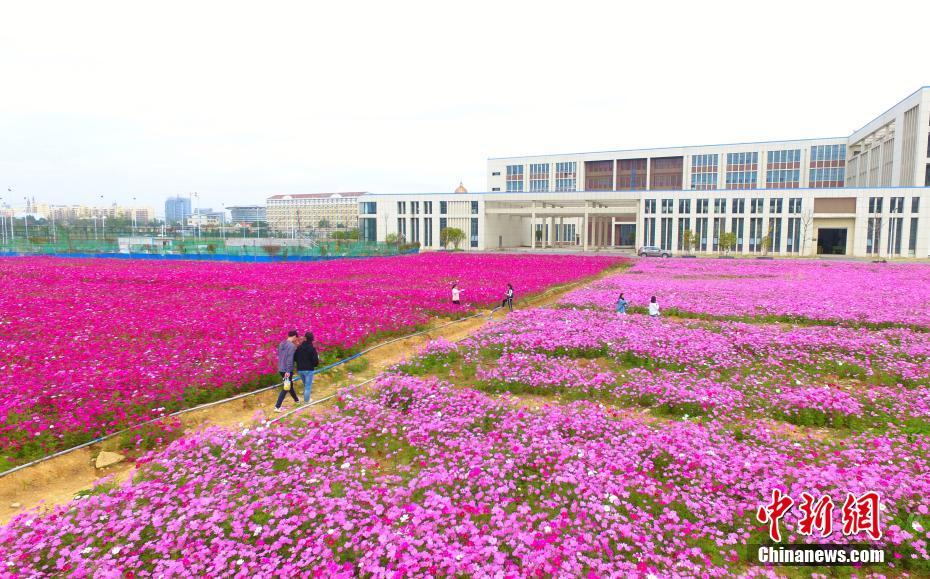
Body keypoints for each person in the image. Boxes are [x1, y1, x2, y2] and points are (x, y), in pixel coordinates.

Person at [275, 330, 299, 411]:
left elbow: (280, 356)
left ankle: (297, 400)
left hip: (281, 368)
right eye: (296, 338)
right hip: (287, 370)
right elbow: (290, 359)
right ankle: (277, 407)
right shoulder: (292, 346)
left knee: (289, 385)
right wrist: (288, 371)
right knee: (286, 387)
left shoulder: (281, 344)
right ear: (294, 336)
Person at [294, 332, 320, 404]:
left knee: (306, 385)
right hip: (309, 369)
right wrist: (315, 364)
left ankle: (307, 398)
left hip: (300, 369)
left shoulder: (299, 348)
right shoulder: (312, 349)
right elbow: (315, 360)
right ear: (312, 340)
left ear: (305, 338)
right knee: (308, 386)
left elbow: (295, 358)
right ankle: (306, 400)